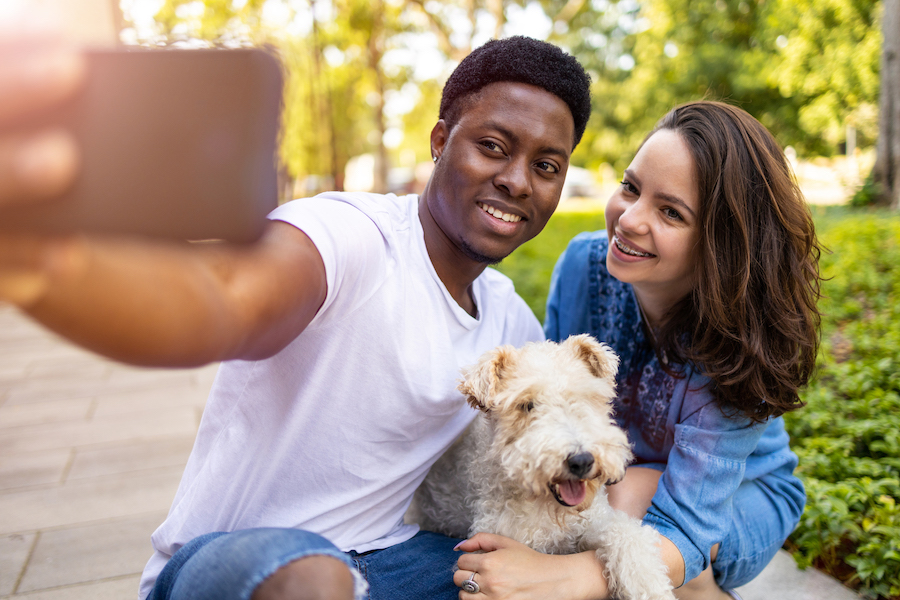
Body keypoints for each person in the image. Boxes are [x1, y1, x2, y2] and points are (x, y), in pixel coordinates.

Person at [0, 33, 593, 600]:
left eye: (547, 166)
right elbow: (225, 300)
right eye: (492, 146)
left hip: (390, 561)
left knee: (538, 578)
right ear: (440, 140)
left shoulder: (510, 324)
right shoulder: (351, 236)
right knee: (315, 580)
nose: (517, 180)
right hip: (245, 566)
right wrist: (42, 264)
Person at [529, 100, 820, 599]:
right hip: (615, 478)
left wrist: (550, 579)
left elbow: (684, 527)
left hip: (740, 498)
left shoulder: (737, 338)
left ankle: (705, 592)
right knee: (585, 502)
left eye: (670, 212)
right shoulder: (583, 266)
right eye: (630, 187)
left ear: (720, 244)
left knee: (625, 499)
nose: (629, 220)